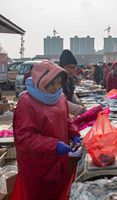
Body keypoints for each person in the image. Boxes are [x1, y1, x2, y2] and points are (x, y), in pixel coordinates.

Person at [12, 61, 81, 200]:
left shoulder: (60, 97)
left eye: (59, 83)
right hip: (38, 166)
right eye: (52, 84)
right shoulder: (27, 102)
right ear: (42, 82)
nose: (57, 88)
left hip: (59, 160)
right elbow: (24, 137)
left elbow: (66, 118)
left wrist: (74, 134)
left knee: (59, 192)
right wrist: (54, 145)